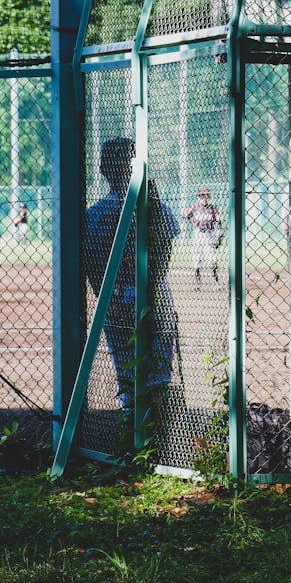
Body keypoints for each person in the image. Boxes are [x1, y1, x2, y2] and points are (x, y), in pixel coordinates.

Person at [84, 137, 180, 413]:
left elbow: (92, 267)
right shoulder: (153, 207)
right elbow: (164, 252)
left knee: (126, 374)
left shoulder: (94, 214)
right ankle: (156, 435)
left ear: (103, 169)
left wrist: (106, 296)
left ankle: (131, 437)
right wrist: (152, 287)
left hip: (114, 299)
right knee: (159, 374)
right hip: (155, 295)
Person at [182, 187, 221, 290]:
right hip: (197, 234)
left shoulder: (212, 208)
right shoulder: (195, 207)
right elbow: (184, 214)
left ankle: (216, 282)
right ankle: (197, 283)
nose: (204, 198)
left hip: (209, 234)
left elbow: (218, 219)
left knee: (212, 259)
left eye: (206, 195)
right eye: (202, 196)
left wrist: (219, 230)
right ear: (198, 197)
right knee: (197, 258)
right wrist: (183, 223)